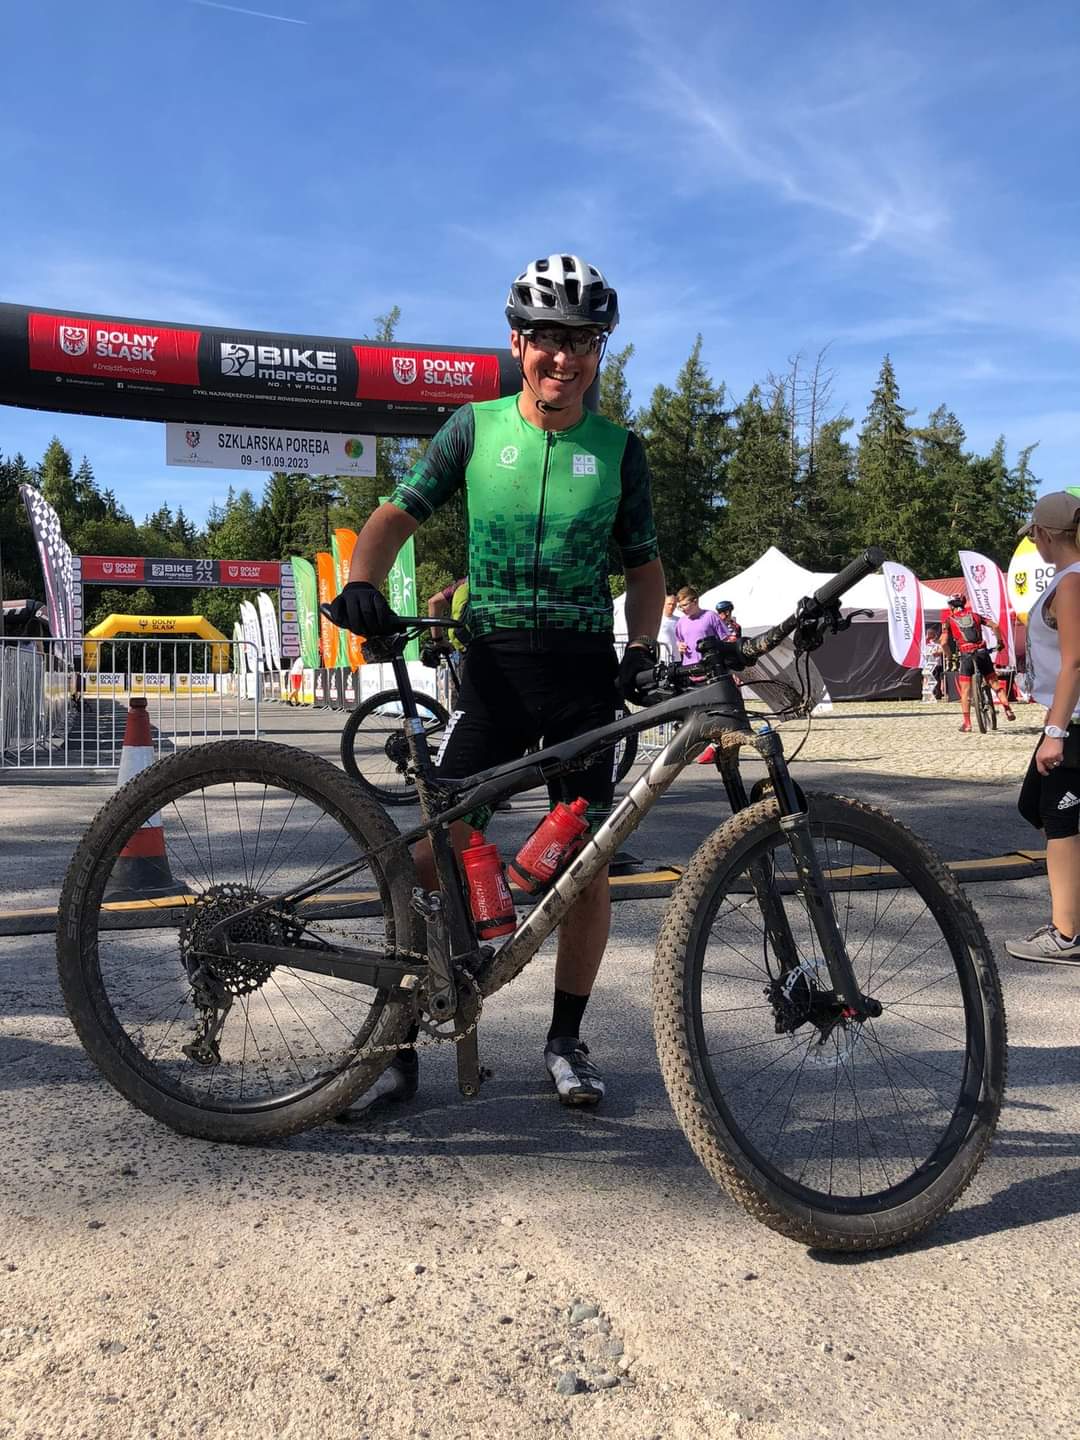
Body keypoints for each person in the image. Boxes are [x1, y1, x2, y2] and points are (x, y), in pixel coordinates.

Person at [328, 253, 665, 1113]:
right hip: (495, 670)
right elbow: (396, 513)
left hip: (583, 674)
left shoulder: (620, 450)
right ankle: (399, 1043)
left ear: (599, 351)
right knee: (431, 851)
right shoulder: (472, 428)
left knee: (585, 866)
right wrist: (364, 580)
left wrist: (642, 646)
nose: (564, 357)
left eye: (582, 341)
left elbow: (644, 567)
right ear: (518, 344)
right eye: (548, 339)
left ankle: (566, 1039)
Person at [1005, 492, 1080, 963]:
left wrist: (1055, 733)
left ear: (1044, 534)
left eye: (1033, 534)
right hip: (1065, 717)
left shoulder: (1072, 584)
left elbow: (1075, 661)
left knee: (1058, 818)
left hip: (1073, 723)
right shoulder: (1066, 580)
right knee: (1034, 806)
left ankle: (1067, 934)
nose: (1033, 541)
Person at [939, 592, 1015, 731]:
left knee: (965, 691)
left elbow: (943, 643)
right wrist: (1000, 642)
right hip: (981, 652)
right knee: (995, 683)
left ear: (951, 606)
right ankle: (1008, 710)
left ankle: (967, 724)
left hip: (966, 654)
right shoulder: (975, 616)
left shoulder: (949, 620)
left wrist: (950, 657)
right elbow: (995, 626)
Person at [674, 587, 729, 666]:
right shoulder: (680, 622)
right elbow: (679, 641)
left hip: (712, 666)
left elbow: (726, 640)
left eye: (685, 605)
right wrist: (680, 646)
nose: (682, 609)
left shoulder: (711, 616)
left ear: (695, 602)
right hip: (689, 667)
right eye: (680, 606)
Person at [656, 593, 678, 662]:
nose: (671, 606)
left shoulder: (679, 620)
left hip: (677, 657)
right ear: (664, 604)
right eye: (669, 604)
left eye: (674, 604)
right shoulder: (657, 619)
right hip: (662, 658)